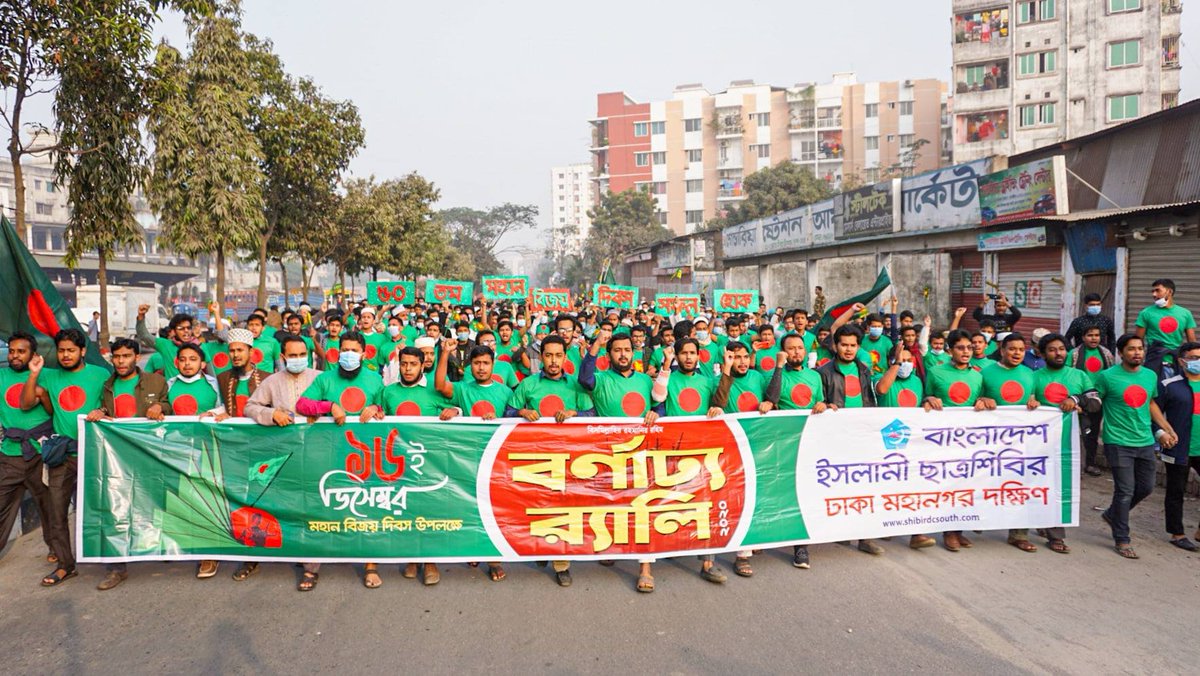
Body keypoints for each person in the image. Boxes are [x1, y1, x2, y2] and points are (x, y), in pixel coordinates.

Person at [19, 328, 109, 586]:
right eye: (61, 350)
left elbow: (111, 406)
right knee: (57, 512)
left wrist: (101, 409)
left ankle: (115, 562)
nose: (66, 355)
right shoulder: (48, 375)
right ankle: (65, 565)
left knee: (100, 509)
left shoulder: (100, 374)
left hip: (94, 453)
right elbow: (26, 404)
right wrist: (34, 374)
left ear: (82, 351)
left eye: (71, 350)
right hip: (61, 455)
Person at [296, 331, 387, 587]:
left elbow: (387, 408)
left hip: (365, 455)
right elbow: (302, 404)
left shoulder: (375, 379)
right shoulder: (325, 378)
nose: (348, 354)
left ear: (364, 353)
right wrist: (328, 407)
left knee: (368, 508)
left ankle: (370, 566)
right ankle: (311, 568)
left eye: (353, 350)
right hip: (329, 452)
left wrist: (377, 409)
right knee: (321, 506)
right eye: (344, 349)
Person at [504, 334, 593, 587]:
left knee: (563, 509)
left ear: (565, 357)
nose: (553, 361)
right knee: (537, 506)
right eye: (548, 355)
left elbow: (591, 413)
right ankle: (543, 547)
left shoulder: (575, 385)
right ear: (540, 356)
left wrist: (575, 413)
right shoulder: (528, 384)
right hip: (534, 456)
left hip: (569, 457)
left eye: (558, 355)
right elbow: (508, 412)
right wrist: (522, 412)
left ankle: (561, 562)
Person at [578, 328, 663, 592]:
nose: (623, 354)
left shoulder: (647, 382)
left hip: (641, 455)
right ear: (609, 354)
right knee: (611, 505)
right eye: (617, 350)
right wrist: (595, 346)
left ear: (634, 352)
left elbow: (660, 405)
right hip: (608, 455)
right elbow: (584, 378)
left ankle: (645, 568)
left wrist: (655, 413)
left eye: (627, 350)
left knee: (642, 508)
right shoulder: (600, 379)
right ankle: (612, 546)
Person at [365, 344, 450, 586]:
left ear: (423, 365)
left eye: (413, 364)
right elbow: (377, 410)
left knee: (427, 512)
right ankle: (412, 558)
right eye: (404, 364)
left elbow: (456, 411)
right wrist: (374, 409)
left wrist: (453, 410)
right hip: (396, 463)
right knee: (402, 511)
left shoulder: (434, 392)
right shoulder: (388, 391)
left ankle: (430, 562)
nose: (408, 368)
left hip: (428, 462)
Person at [90, 337, 171, 590]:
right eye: (117, 357)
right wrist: (100, 413)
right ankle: (117, 567)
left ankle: (166, 549)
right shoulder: (107, 385)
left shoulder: (156, 382)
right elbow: (104, 410)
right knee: (117, 508)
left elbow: (169, 406)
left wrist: (160, 406)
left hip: (151, 455)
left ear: (137, 358)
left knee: (157, 503)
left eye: (126, 356)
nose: (121, 361)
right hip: (118, 459)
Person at [243, 335, 323, 589]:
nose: (298, 359)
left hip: (316, 453)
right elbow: (250, 406)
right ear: (283, 357)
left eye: (303, 355)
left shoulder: (320, 378)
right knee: (289, 504)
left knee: (313, 506)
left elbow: (336, 404)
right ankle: (292, 551)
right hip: (284, 453)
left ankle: (311, 567)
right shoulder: (272, 381)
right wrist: (271, 413)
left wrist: (321, 410)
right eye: (293, 355)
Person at [1093, 334, 1176, 560]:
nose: (1137, 353)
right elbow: (1094, 401)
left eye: (1140, 348)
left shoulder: (1149, 376)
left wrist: (1165, 427)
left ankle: (1112, 515)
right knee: (1125, 490)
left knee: (1146, 487)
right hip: (1117, 440)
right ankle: (1122, 538)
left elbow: (1150, 403)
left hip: (1145, 441)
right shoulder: (1107, 377)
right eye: (1131, 349)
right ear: (1121, 353)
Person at [653, 336, 727, 583]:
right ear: (677, 355)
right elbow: (659, 397)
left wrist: (717, 410)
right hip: (671, 451)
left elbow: (717, 405)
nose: (688, 357)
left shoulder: (707, 382)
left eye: (692, 353)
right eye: (683, 353)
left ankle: (708, 562)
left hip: (701, 452)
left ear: (699, 356)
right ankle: (655, 553)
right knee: (662, 502)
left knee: (705, 504)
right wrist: (665, 365)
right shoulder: (669, 378)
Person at [0, 332, 72, 587]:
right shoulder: (1, 376)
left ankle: (55, 548)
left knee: (49, 507)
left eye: (21, 351)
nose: (15, 356)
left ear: (34, 354)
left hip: (42, 453)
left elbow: (64, 403)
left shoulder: (49, 375)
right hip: (9, 453)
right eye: (12, 351)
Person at [816, 323, 884, 556]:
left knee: (863, 484)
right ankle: (838, 528)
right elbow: (819, 401)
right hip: (835, 437)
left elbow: (872, 398)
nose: (848, 349)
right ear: (835, 346)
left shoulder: (865, 370)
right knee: (837, 484)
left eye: (853, 345)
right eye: (844, 344)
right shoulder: (823, 372)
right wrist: (824, 406)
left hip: (862, 435)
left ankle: (864, 536)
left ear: (858, 347)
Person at [976, 333, 1041, 552]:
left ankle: (1019, 534)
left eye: (1021, 350)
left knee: (1019, 485)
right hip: (990, 441)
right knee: (987, 482)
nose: (1016, 353)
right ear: (1002, 350)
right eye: (1012, 349)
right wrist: (982, 400)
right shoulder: (985, 373)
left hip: (1021, 442)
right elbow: (974, 401)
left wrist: (1034, 402)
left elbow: (1033, 399)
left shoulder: (1030, 374)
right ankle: (976, 519)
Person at [923, 329, 985, 552]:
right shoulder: (935, 371)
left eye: (969, 347)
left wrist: (984, 401)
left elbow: (982, 399)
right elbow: (924, 398)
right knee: (946, 485)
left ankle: (958, 530)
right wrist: (929, 399)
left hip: (969, 440)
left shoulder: (978, 375)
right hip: (941, 439)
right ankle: (948, 531)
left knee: (965, 484)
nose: (966, 351)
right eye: (960, 347)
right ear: (949, 350)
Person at [874, 343, 935, 550]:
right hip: (886, 443)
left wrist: (928, 400)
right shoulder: (881, 378)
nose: (906, 365)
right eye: (902, 360)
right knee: (886, 486)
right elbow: (882, 389)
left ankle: (916, 533)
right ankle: (883, 525)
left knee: (913, 486)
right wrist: (896, 364)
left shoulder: (917, 381)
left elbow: (920, 404)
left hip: (911, 443)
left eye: (909, 361)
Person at [1154, 342, 1200, 552]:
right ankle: (1177, 533)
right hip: (1177, 447)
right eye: (1193, 358)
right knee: (1175, 491)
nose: (1197, 362)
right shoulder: (1169, 384)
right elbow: (1152, 413)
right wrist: (1160, 433)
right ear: (1181, 361)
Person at [1070, 326, 1114, 476]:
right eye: (1090, 335)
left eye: (1097, 335)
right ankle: (1074, 466)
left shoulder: (1106, 353)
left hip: (1097, 401)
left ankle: (1090, 463)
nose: (1094, 338)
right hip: (1077, 400)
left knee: (1093, 433)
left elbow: (1111, 373)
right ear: (1083, 337)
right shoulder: (1074, 354)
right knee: (1075, 433)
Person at [1134, 278, 1196, 372]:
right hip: (1154, 363)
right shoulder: (1146, 313)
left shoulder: (1185, 313)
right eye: (1153, 291)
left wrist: (1194, 365)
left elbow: (1192, 343)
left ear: (1169, 292)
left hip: (1177, 364)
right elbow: (1137, 341)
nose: (1154, 294)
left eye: (1158, 290)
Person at [204, 329, 264, 421]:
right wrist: (213, 413)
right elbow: (224, 405)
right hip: (233, 433)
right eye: (232, 351)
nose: (235, 355)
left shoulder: (266, 378)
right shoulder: (222, 378)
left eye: (240, 350)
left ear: (251, 352)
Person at [136, 306, 195, 380]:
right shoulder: (166, 345)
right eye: (181, 328)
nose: (186, 331)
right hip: (172, 391)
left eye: (188, 328)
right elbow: (144, 335)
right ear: (173, 331)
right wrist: (141, 317)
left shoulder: (200, 346)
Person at [166, 343, 219, 416]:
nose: (187, 363)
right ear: (177, 364)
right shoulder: (168, 385)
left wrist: (213, 413)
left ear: (203, 364)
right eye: (182, 360)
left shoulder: (216, 385)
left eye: (193, 359)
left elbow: (226, 410)